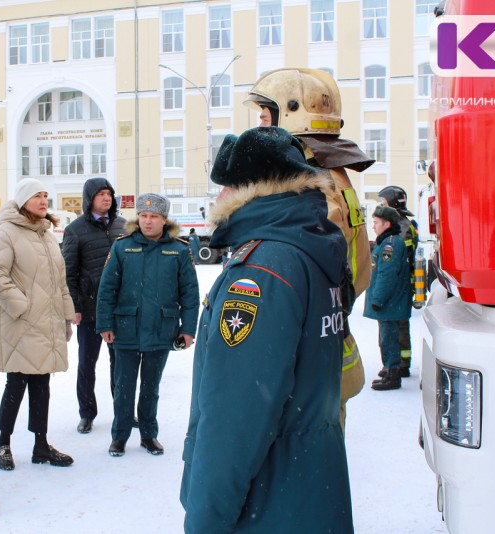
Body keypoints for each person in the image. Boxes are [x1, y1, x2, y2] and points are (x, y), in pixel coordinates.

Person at [180, 127, 353, 532]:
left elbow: (235, 418)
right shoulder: (309, 247)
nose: (217, 197)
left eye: (224, 186)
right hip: (308, 483)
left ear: (250, 190)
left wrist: (205, 518)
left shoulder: (261, 271)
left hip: (269, 497)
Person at [244, 67, 373, 432]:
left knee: (304, 457)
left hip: (306, 353)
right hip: (328, 337)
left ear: (291, 114)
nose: (259, 124)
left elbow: (290, 270)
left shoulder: (306, 182)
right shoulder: (334, 174)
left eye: (265, 114)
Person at [96, 193, 199, 457]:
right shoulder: (122, 247)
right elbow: (107, 289)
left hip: (161, 329)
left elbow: (190, 293)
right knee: (124, 387)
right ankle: (119, 437)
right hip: (125, 328)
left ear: (164, 219)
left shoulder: (178, 249)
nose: (148, 221)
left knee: (151, 388)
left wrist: (187, 329)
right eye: (143, 216)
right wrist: (105, 323)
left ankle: (148, 435)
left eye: (154, 216)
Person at [0, 178, 75, 471]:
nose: (43, 200)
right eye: (37, 195)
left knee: (42, 384)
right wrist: (22, 307)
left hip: (46, 323)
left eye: (46, 195)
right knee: (17, 383)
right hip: (21, 323)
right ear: (23, 200)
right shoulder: (7, 233)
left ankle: (40, 445)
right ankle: (4, 443)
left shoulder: (46, 234)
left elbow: (59, 280)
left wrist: (66, 316)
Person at [62, 177, 126, 434]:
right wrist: (74, 306)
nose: (106, 198)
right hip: (89, 309)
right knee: (87, 363)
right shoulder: (75, 229)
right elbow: (69, 271)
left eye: (109, 193)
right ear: (90, 198)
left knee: (120, 363)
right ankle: (87, 413)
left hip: (119, 308)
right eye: (100, 194)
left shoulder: (123, 226)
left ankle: (122, 410)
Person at [365, 205, 413, 391]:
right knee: (386, 336)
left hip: (389, 302)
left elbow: (387, 274)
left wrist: (377, 300)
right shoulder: (386, 242)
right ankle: (389, 368)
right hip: (390, 302)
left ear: (387, 223)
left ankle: (393, 374)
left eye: (376, 222)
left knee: (388, 338)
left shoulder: (390, 245)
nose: (373, 226)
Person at [378, 185, 418, 378]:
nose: (379, 206)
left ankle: (401, 364)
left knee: (397, 325)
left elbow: (394, 256)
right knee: (396, 324)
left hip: (399, 285)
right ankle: (398, 362)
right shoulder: (403, 224)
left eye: (382, 202)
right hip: (401, 283)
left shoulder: (400, 227)